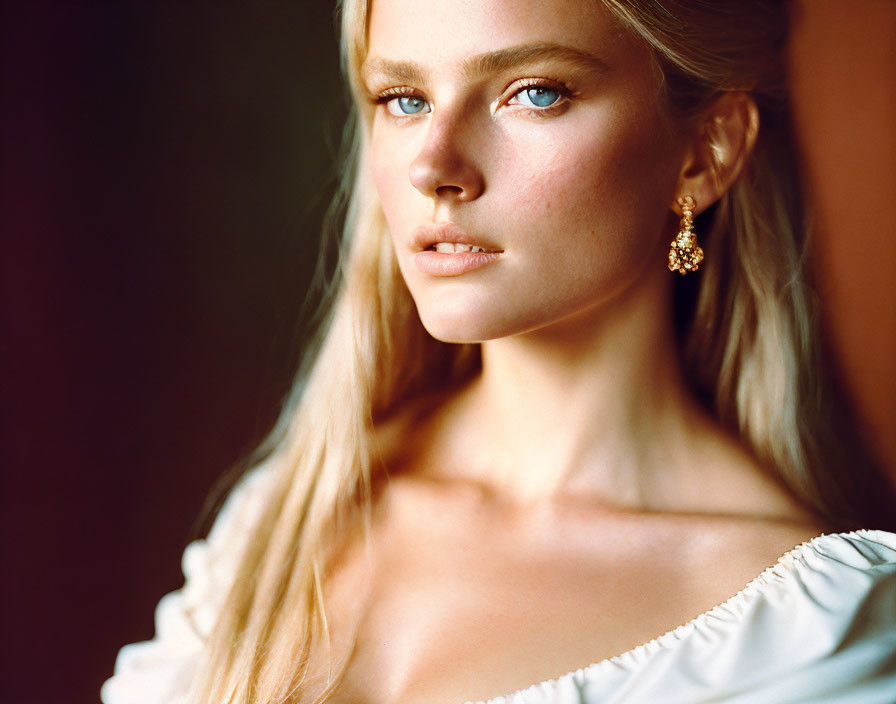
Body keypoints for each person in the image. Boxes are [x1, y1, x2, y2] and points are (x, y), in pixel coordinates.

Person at [102, 0, 896, 702]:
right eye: (404, 99)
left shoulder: (807, 637)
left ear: (706, 151)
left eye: (535, 92)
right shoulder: (290, 512)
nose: (434, 166)